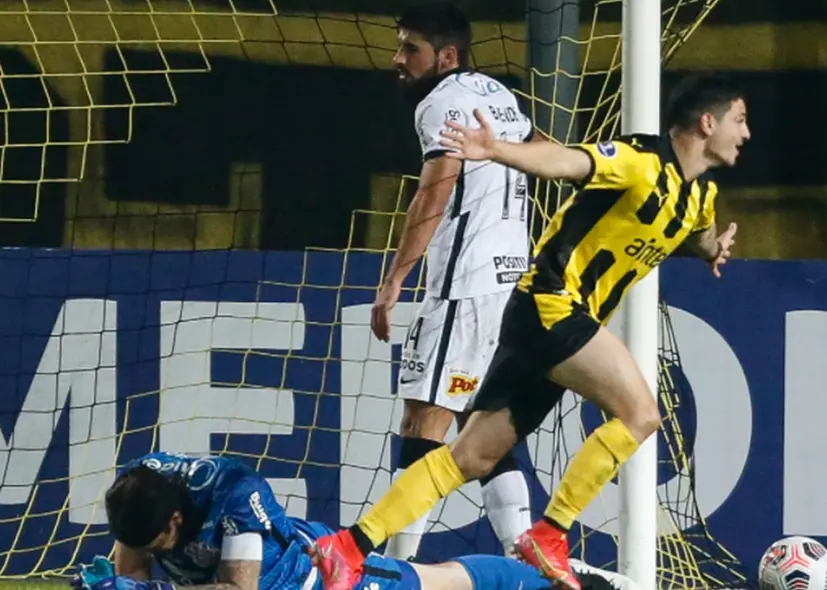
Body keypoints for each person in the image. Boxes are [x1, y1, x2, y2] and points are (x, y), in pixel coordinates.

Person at [315, 72, 750, 590]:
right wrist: (497, 150)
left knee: (470, 458)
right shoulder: (639, 161)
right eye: (740, 120)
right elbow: (569, 161)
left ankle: (348, 545)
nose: (746, 134)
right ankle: (550, 533)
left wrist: (709, 249)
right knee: (641, 413)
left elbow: (686, 231)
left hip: (545, 322)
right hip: (550, 304)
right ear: (708, 122)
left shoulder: (697, 198)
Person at [369, 1, 536, 561]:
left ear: (446, 55)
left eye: (409, 49)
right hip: (510, 282)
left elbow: (437, 185)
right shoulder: (498, 95)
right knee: (479, 424)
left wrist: (395, 279)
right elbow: (542, 153)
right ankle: (525, 555)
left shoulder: (441, 102)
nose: (398, 60)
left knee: (424, 418)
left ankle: (396, 567)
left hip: (464, 286)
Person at [69, 452, 634, 590]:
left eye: (156, 540)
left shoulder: (235, 492)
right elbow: (133, 568)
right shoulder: (140, 493)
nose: (146, 551)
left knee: (433, 581)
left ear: (176, 517)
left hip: (307, 578)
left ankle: (553, 576)